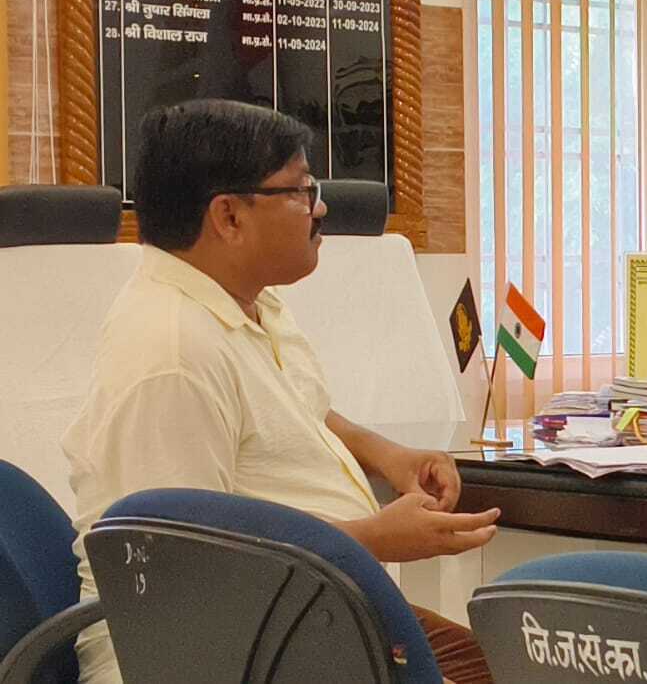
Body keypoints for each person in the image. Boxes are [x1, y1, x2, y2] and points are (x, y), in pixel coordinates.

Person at [62, 100, 498, 684]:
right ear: (229, 216)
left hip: (301, 617)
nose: (320, 207)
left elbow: (297, 409)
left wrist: (387, 455)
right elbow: (180, 568)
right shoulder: (172, 354)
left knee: (514, 663)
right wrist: (373, 539)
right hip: (220, 655)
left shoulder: (246, 299)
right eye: (301, 190)